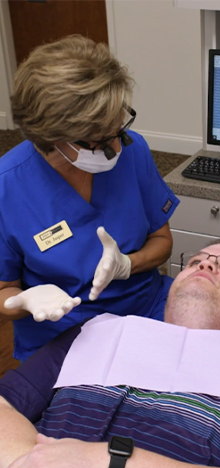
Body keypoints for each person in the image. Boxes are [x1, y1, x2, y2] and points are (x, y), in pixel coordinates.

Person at [0, 239, 220, 468]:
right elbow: (5, 404)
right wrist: (28, 460)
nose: (206, 263)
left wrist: (108, 461)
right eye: (195, 261)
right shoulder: (96, 331)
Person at [0, 35, 179, 361]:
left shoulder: (132, 151)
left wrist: (128, 265)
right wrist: (25, 301)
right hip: (63, 337)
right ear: (53, 137)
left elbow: (162, 241)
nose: (116, 147)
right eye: (100, 139)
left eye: (118, 130)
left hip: (145, 310)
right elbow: (3, 292)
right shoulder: (7, 187)